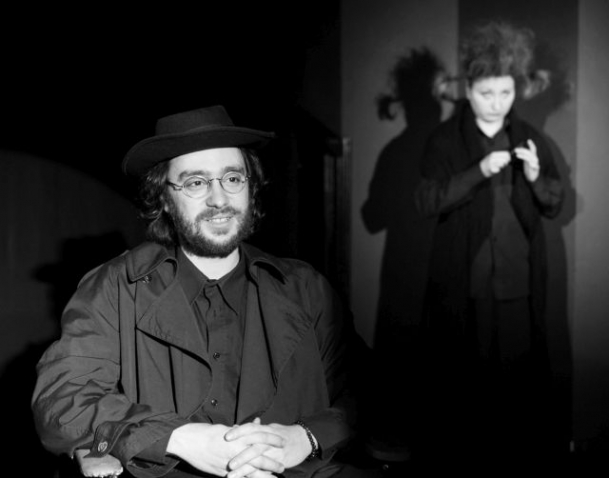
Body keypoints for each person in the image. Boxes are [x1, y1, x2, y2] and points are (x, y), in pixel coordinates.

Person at [32, 105, 358, 478]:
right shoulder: (115, 287)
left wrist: (306, 437)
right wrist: (178, 438)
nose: (219, 199)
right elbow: (61, 402)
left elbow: (372, 397)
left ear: (250, 186)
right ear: (164, 198)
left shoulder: (308, 289)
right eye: (196, 183)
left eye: (232, 178)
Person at [415, 22, 564, 463]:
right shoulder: (444, 140)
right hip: (464, 284)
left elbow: (554, 203)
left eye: (505, 93)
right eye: (486, 93)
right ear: (468, 90)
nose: (497, 103)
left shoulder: (531, 138)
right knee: (465, 386)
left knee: (518, 387)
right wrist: (477, 171)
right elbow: (426, 202)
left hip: (519, 281)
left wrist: (535, 177)